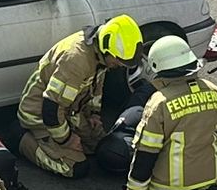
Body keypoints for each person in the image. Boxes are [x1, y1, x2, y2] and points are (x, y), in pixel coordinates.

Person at [121, 36, 217, 190]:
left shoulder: (159, 103)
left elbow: (146, 153)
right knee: (200, 183)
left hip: (171, 184)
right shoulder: (216, 91)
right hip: (209, 175)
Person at [15, 15, 141, 178]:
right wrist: (66, 140)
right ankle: (20, 138)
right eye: (118, 61)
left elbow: (96, 87)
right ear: (106, 48)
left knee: (102, 147)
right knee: (75, 167)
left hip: (70, 110)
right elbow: (51, 108)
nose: (119, 65)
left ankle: (63, 139)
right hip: (39, 114)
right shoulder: (76, 60)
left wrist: (94, 114)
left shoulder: (100, 54)